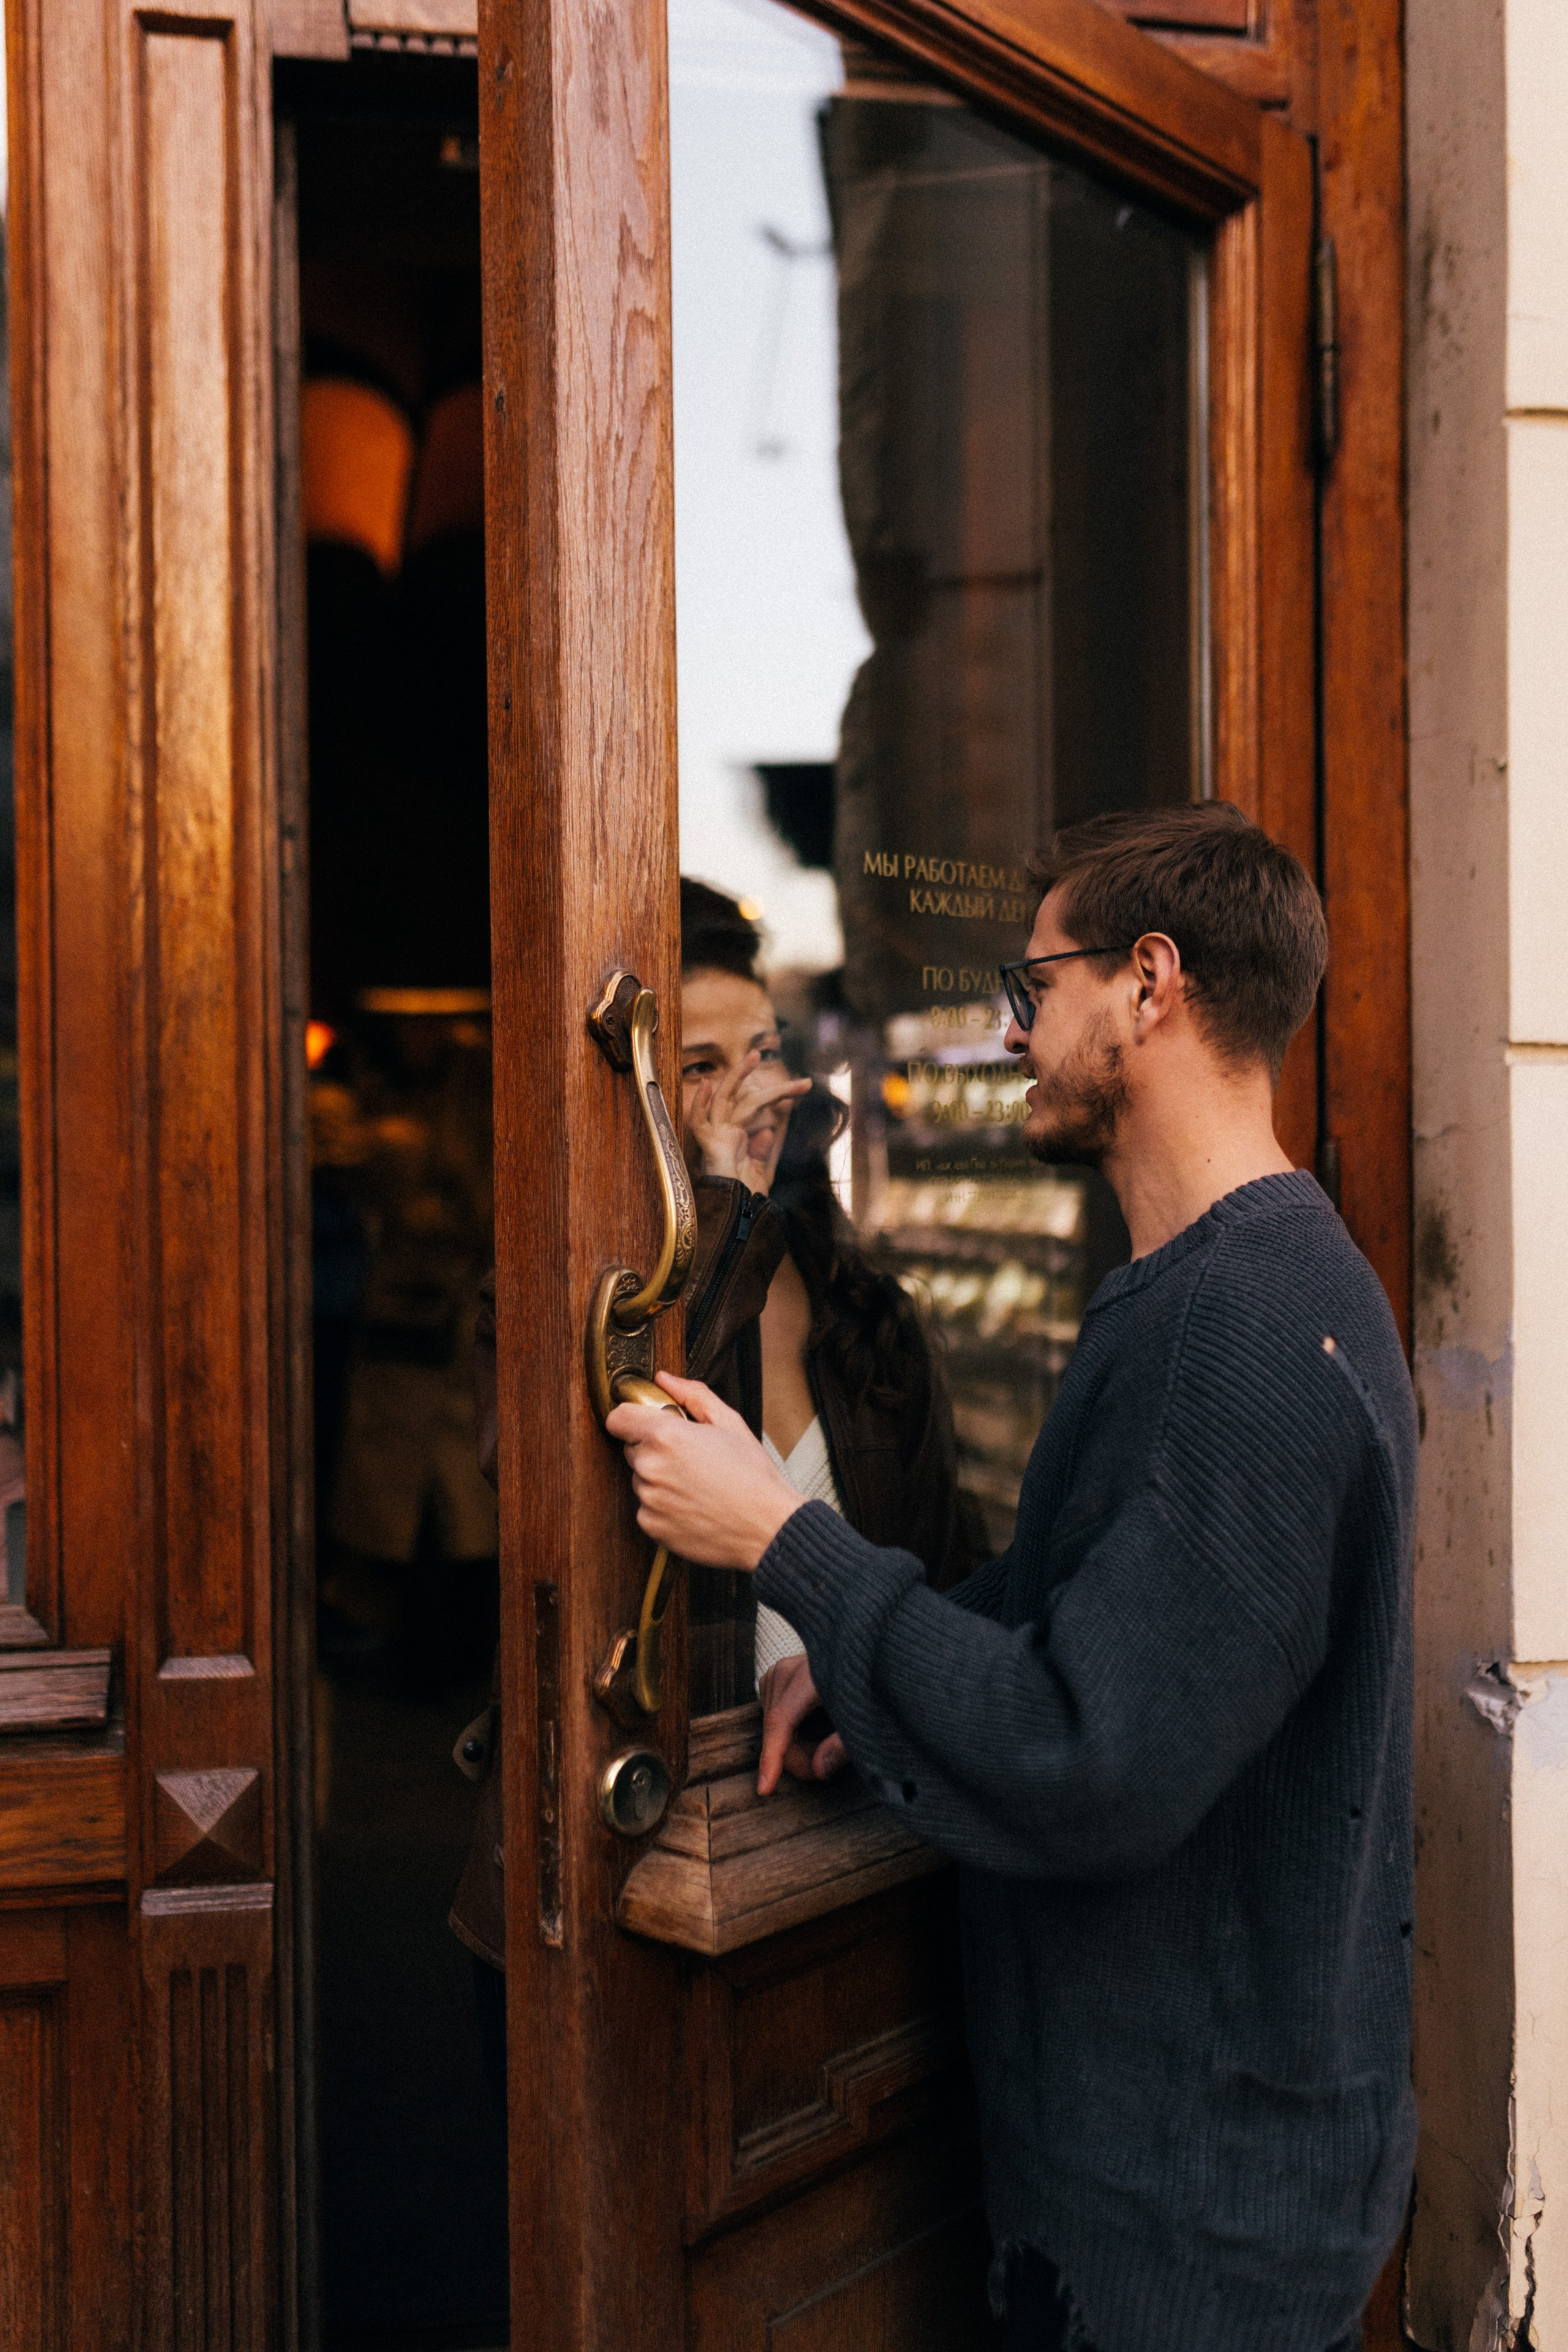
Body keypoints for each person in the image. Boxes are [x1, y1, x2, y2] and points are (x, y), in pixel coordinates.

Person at [607, 804, 1417, 2352]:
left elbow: (1083, 1751)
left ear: (1149, 984)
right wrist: (841, 1668)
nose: (1008, 1030)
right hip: (1182, 2176)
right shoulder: (1234, 1285)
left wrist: (788, 1550)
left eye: (1031, 987)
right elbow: (1078, 1606)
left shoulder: (1238, 1330)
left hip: (1184, 2221)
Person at [447, 880, 976, 2084]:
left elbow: (945, 1558)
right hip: (630, 1858)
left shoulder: (856, 1305)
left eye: (763, 1050)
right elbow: (542, 1486)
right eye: (696, 1064)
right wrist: (716, 1201)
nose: (751, 1087)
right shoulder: (547, 1304)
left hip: (836, 1835)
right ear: (626, 1098)